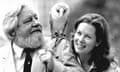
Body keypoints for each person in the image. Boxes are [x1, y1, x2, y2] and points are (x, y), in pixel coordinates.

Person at [0, 4, 66, 72]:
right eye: (28, 20)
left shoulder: (59, 45)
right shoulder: (2, 56)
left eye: (36, 18)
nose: (37, 23)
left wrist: (54, 67)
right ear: (12, 32)